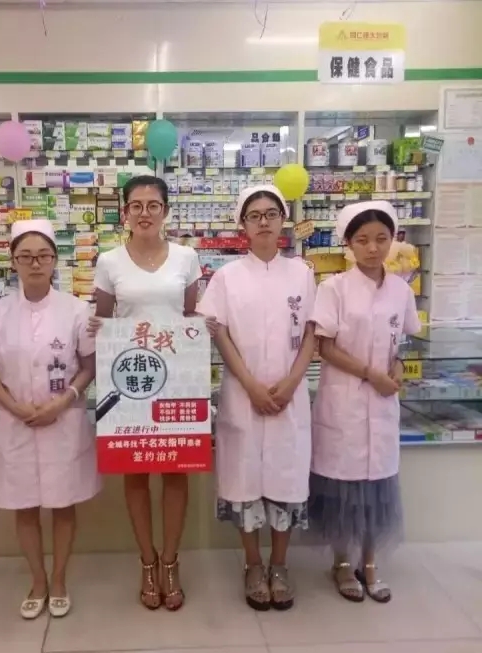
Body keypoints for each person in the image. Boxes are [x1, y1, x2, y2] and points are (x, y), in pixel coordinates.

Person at [0, 219, 99, 620]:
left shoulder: (77, 310)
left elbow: (89, 366)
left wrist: (65, 400)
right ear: (14, 262)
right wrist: (13, 406)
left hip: (64, 421)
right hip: (17, 422)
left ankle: (58, 580)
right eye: (26, 256)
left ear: (55, 260)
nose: (35, 263)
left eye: (43, 255)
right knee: (23, 505)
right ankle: (37, 580)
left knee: (62, 504)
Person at [198, 185, 316, 611]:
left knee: (285, 479)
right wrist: (249, 384)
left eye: (271, 213)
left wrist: (291, 383)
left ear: (283, 220)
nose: (263, 221)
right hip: (242, 394)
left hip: (290, 395)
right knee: (244, 481)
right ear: (242, 225)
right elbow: (220, 334)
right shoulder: (227, 277)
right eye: (254, 215)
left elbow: (312, 333)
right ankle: (252, 564)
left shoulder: (302, 273)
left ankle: (279, 565)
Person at [89, 175, 201, 611]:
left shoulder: (187, 257)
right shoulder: (109, 261)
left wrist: (201, 328)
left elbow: (189, 315)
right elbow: (104, 320)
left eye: (153, 205)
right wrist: (96, 327)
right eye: (136, 205)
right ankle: (147, 561)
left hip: (177, 376)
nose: (145, 213)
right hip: (129, 378)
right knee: (134, 473)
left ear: (166, 211)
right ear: (125, 212)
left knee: (175, 471)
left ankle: (171, 561)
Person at [309, 201, 421, 604]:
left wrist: (396, 368)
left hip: (382, 402)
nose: (373, 248)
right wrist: (371, 374)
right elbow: (324, 347)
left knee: (377, 488)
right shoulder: (333, 288)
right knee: (343, 486)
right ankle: (342, 562)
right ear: (349, 244)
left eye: (381, 239)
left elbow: (400, 343)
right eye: (363, 240)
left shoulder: (400, 290)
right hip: (345, 400)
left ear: (393, 241)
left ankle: (369, 563)